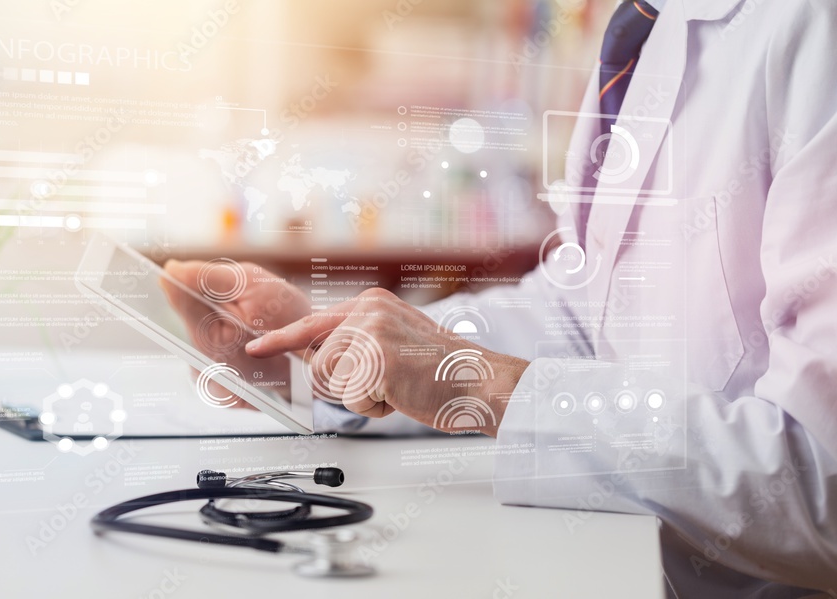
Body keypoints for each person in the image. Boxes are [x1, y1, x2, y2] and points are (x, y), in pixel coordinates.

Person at [165, 0, 837, 595]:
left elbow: (823, 481)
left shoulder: (813, 30)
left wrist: (490, 387)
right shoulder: (643, 26)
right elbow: (583, 311)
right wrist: (337, 352)